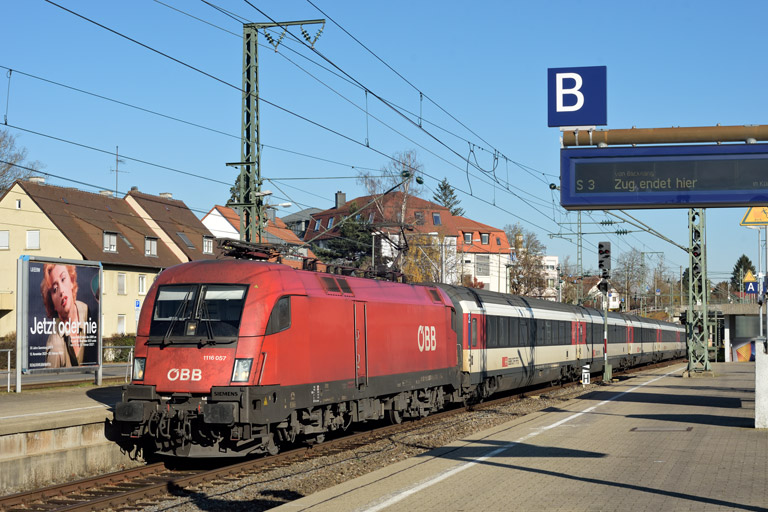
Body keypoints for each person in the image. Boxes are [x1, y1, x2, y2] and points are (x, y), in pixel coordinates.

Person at [40, 264, 89, 367]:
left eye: (63, 279)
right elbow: (51, 382)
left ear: (71, 281)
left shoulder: (87, 311)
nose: (61, 291)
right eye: (55, 289)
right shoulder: (55, 346)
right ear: (52, 302)